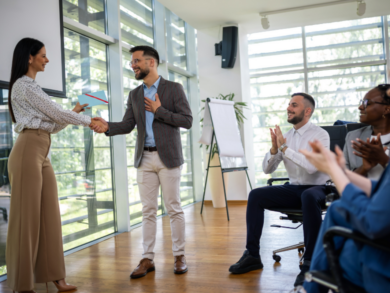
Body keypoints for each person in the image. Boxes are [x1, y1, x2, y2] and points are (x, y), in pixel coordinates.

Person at [6, 38, 103, 293]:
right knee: (26, 221)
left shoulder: (34, 88)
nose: (47, 60)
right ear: (29, 57)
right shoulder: (23, 86)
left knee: (50, 214)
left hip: (42, 150)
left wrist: (76, 110)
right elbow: (57, 114)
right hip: (28, 149)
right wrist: (86, 119)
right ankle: (21, 284)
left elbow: (56, 124)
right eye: (43, 55)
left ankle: (56, 277)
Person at [91, 45, 193, 278]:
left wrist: (159, 110)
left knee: (174, 208)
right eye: (132, 63)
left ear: (151, 63)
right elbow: (127, 125)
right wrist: (107, 126)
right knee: (148, 211)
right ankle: (148, 259)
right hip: (144, 158)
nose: (133, 65)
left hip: (168, 158)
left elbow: (187, 121)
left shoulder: (174, 89)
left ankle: (179, 256)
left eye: (136, 61)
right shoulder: (135, 94)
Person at [228, 93, 337, 288]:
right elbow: (267, 170)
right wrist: (273, 149)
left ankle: (311, 263)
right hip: (295, 190)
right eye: (288, 104)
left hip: (319, 189)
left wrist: (285, 148)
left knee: (308, 195)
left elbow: (312, 167)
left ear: (307, 111)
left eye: (294, 105)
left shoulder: (320, 135)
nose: (288, 108)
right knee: (256, 195)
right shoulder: (285, 137)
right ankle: (252, 255)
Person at [300, 139, 390, 293]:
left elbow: (372, 222)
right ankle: (310, 287)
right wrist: (341, 171)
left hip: (383, 269)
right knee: (336, 208)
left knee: (342, 248)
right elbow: (382, 192)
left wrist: (334, 171)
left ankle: (310, 287)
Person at [343, 85, 390, 179]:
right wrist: (364, 168)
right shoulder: (353, 137)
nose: (360, 107)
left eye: (367, 103)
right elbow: (344, 182)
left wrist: (384, 160)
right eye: (362, 102)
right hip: (363, 193)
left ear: (386, 109)